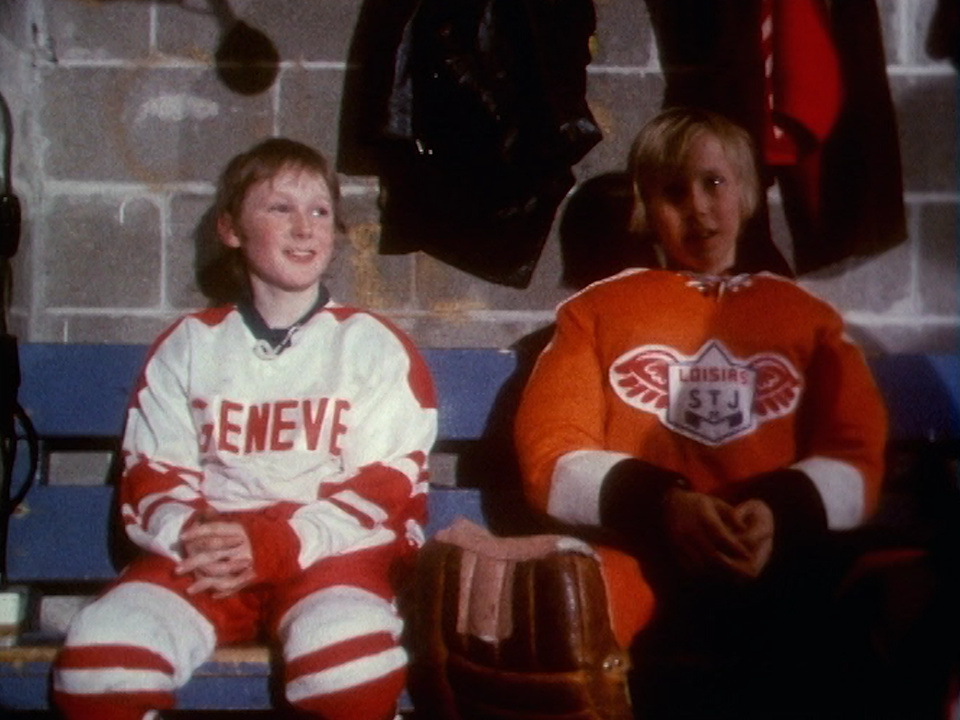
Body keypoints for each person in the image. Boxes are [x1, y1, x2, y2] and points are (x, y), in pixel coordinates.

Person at [514, 107, 950, 719]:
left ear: (745, 193)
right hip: (646, 556)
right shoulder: (596, 312)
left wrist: (780, 510)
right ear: (645, 207)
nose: (696, 207)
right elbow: (550, 453)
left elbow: (857, 451)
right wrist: (663, 506)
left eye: (714, 183)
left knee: (916, 595)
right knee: (563, 609)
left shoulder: (803, 315)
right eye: (672, 191)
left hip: (784, 557)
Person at [52, 138, 438, 720]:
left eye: (320, 212)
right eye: (280, 208)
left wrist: (278, 544)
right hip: (209, 558)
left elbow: (388, 483)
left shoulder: (371, 345)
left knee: (346, 665)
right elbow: (152, 471)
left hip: (330, 558)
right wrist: (196, 538)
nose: (305, 228)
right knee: (100, 662)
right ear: (231, 229)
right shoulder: (191, 343)